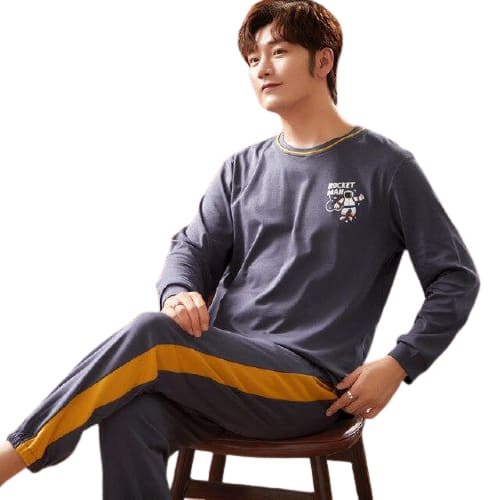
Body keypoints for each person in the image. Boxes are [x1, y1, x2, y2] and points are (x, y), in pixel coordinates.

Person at [0, 0, 480, 498]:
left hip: (310, 383)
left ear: (323, 61)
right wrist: (178, 293)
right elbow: (189, 249)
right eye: (253, 58)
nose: (262, 68)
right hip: (221, 372)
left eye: (279, 51)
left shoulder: (386, 167)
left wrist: (400, 363)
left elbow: (456, 277)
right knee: (128, 413)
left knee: (151, 335)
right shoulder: (241, 169)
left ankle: (12, 457)